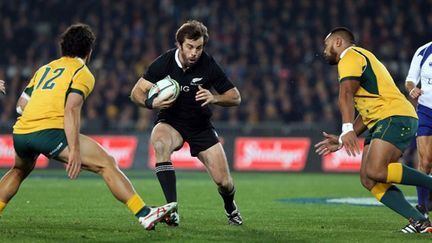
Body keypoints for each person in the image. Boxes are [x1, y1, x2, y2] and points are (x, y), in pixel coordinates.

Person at [0, 23, 176, 230]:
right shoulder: (82, 73)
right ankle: (144, 213)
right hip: (49, 132)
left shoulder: (45, 69)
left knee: (19, 170)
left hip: (21, 132)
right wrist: (74, 150)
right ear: (89, 51)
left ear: (63, 48)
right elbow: (71, 110)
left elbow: (21, 106)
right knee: (107, 163)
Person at [315, 27, 432, 233]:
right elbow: (367, 109)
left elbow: (346, 94)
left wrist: (347, 127)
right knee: (368, 178)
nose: (324, 50)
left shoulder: (349, 56)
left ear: (339, 42)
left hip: (394, 116)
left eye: (326, 45)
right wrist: (343, 139)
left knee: (377, 169)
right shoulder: (361, 57)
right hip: (381, 119)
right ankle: (419, 220)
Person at [130, 20, 242, 226]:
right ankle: (172, 209)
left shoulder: (208, 64)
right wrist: (151, 103)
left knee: (224, 183)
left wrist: (214, 98)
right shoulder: (164, 62)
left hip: (200, 126)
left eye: (199, 48)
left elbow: (235, 97)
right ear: (179, 45)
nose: (194, 53)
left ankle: (231, 208)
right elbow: (136, 92)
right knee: (160, 142)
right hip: (171, 122)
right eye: (190, 47)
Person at [405, 41, 432, 218]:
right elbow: (410, 80)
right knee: (426, 161)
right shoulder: (423, 50)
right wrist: (412, 89)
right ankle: (422, 208)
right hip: (426, 112)